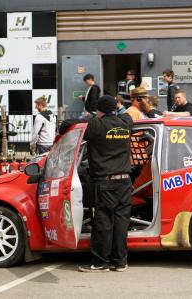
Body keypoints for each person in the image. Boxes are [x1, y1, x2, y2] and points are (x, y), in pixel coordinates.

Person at [78, 95, 133, 273]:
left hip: (104, 182)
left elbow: (71, 124)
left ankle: (101, 262)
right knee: (121, 223)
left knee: (103, 223)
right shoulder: (125, 124)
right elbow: (127, 116)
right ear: (115, 109)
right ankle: (120, 262)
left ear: (99, 111)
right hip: (125, 182)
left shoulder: (96, 125)